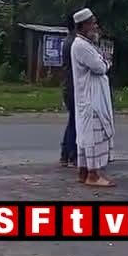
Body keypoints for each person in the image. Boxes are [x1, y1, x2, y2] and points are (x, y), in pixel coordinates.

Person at [70, 8, 115, 187]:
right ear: (83, 26)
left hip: (88, 97)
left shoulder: (85, 44)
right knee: (93, 137)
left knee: (85, 136)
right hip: (91, 99)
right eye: (92, 23)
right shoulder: (81, 46)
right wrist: (107, 61)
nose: (96, 26)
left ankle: (83, 172)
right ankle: (93, 175)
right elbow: (100, 67)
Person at [59, 15, 77, 167]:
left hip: (68, 86)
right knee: (76, 122)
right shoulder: (75, 43)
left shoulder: (68, 41)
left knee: (73, 120)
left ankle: (65, 153)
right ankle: (72, 154)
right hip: (74, 87)